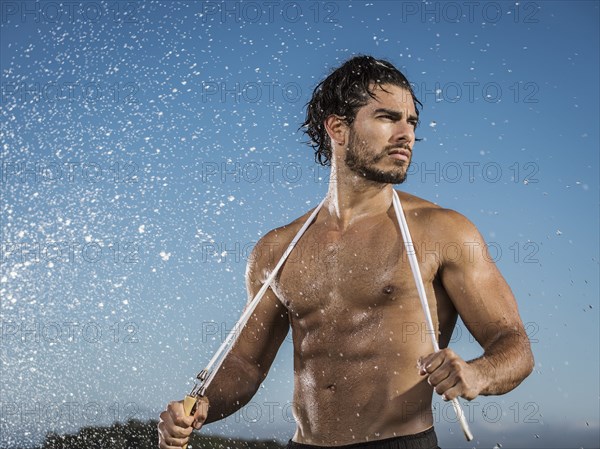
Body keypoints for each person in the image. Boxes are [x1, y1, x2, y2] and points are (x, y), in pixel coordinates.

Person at [158, 55, 534, 449]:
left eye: (411, 122)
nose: (406, 134)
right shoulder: (278, 249)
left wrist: (478, 374)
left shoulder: (443, 231)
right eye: (388, 118)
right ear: (338, 127)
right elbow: (245, 365)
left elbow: (514, 345)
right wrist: (202, 406)